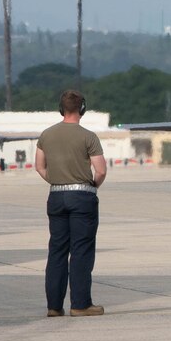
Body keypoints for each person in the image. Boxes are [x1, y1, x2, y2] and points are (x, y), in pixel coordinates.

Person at [35, 90, 108, 317]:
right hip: (82, 198)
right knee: (81, 251)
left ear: (61, 108)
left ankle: (54, 307)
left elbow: (39, 166)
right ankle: (80, 304)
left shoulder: (46, 135)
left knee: (57, 250)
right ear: (82, 109)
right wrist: (91, 186)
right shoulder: (88, 137)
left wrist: (58, 181)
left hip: (56, 196)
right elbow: (101, 170)